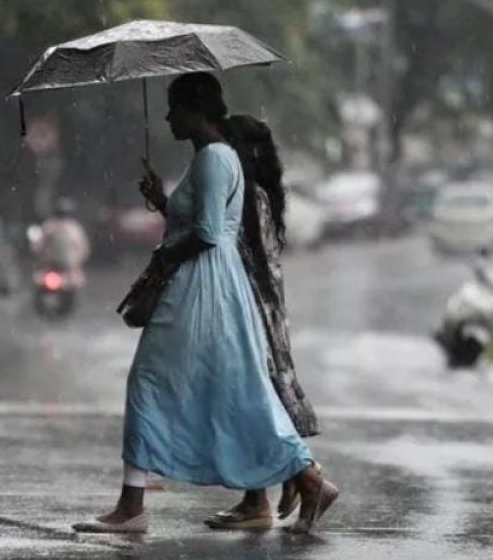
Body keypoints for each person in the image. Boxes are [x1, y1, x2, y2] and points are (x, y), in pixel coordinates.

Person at [72, 73, 337, 535]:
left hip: (201, 286)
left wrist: (164, 256)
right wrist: (163, 201)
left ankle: (131, 508)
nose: (167, 117)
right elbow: (201, 222)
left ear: (195, 110)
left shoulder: (214, 158)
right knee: (235, 390)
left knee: (149, 382)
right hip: (214, 284)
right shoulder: (216, 157)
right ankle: (307, 479)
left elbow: (210, 232)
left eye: (173, 107)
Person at [203, 114, 321, 529]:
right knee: (253, 400)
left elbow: (223, 245)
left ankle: (302, 478)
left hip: (249, 310)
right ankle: (263, 494)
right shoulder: (260, 193)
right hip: (260, 308)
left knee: (253, 400)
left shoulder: (248, 196)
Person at [36, 197, 91, 286]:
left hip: (64, 267)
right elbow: (84, 249)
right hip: (54, 266)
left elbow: (38, 246)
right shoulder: (74, 228)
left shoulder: (50, 226)